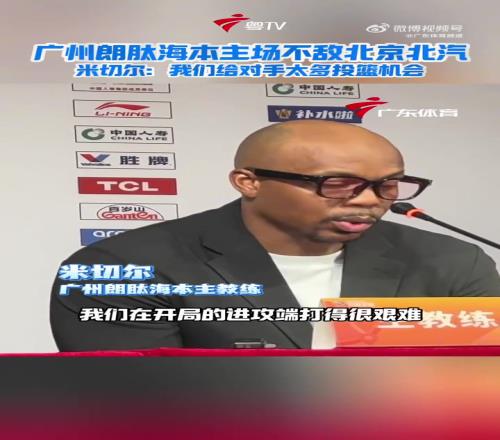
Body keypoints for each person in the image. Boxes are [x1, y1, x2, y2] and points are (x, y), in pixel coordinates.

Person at [50, 120, 500, 351]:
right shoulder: (124, 267)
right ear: (249, 182)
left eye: (388, 185)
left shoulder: (450, 262)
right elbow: (136, 403)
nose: (369, 201)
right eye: (337, 184)